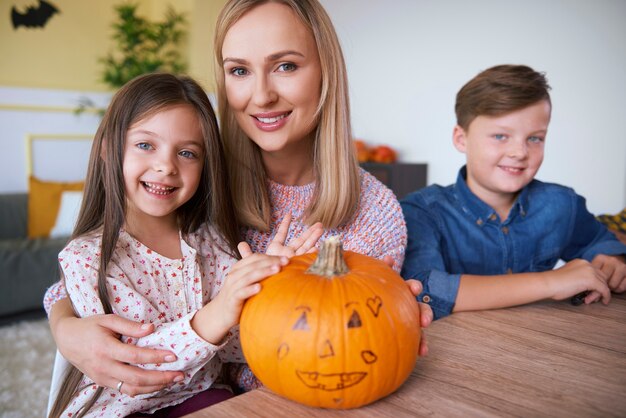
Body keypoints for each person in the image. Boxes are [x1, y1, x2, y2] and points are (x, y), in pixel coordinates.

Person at [43, 0, 433, 399]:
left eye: (286, 66)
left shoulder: (376, 211)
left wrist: (393, 317)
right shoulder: (195, 174)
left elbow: (356, 339)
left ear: (326, 72)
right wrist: (65, 326)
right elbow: (102, 267)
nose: (261, 96)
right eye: (240, 70)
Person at [48, 73, 320, 418]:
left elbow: (234, 348)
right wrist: (217, 312)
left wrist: (271, 290)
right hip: (122, 410)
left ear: (205, 166)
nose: (166, 166)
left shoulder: (211, 243)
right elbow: (139, 370)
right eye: (145, 145)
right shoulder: (86, 258)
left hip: (202, 399)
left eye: (187, 153)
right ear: (107, 149)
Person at [401, 64, 626, 320]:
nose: (520, 152)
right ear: (461, 139)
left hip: (542, 348)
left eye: (535, 138)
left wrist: (612, 260)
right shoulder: (422, 212)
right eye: (500, 136)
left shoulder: (562, 204)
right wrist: (550, 282)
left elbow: (598, 243)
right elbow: (424, 289)